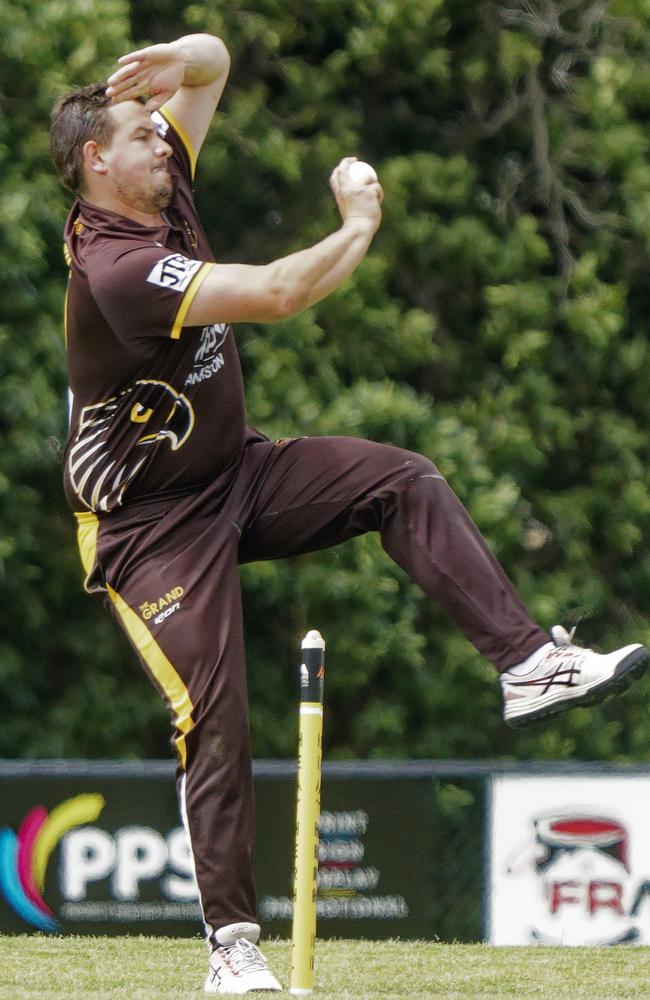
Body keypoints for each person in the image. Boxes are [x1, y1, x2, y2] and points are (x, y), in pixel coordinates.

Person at [50, 32, 647, 995]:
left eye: (160, 130)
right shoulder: (115, 269)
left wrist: (177, 56)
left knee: (402, 479)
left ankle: (531, 666)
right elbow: (282, 293)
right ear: (96, 162)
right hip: (146, 528)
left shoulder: (162, 182)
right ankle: (232, 950)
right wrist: (358, 223)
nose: (163, 141)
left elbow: (215, 64)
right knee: (215, 711)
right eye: (140, 135)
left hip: (231, 474)